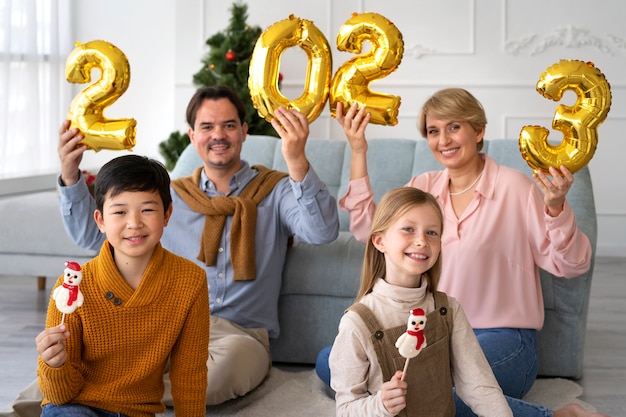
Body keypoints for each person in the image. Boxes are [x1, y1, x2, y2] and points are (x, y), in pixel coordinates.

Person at [1, 85, 339, 417]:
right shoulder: (167, 196)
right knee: (61, 369)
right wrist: (70, 174)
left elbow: (322, 232)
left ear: (244, 131)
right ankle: (47, 402)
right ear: (192, 136)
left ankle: (115, 393)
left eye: (229, 125)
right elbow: (95, 235)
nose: (218, 134)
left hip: (238, 332)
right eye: (207, 126)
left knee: (213, 377)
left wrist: (296, 160)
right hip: (160, 327)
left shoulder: (277, 189)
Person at [320, 88, 603, 417]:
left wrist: (555, 208)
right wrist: (358, 149)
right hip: (430, 331)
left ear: (479, 131)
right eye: (433, 131)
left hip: (503, 340)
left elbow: (572, 264)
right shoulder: (422, 187)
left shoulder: (516, 187)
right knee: (331, 362)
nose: (443, 140)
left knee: (429, 387)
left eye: (454, 127)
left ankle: (556, 416)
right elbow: (370, 230)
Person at [36, 155, 210, 417]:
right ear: (100, 220)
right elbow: (60, 396)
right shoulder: (71, 286)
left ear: (167, 214)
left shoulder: (190, 281)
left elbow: (190, 374)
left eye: (147, 210)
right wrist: (53, 364)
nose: (134, 223)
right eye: (119, 211)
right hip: (76, 406)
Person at [330, 186, 513, 416]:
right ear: (379, 241)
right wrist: (381, 405)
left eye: (432, 233)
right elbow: (346, 409)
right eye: (408, 229)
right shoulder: (357, 323)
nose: (421, 241)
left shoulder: (447, 309)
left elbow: (479, 385)